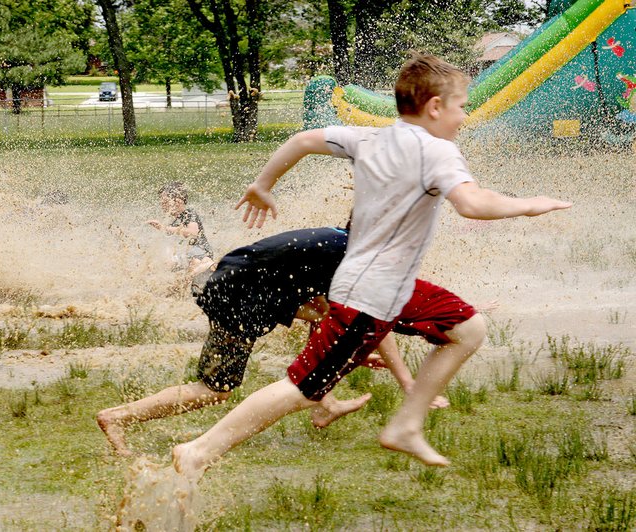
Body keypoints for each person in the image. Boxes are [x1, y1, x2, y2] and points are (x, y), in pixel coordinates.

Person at [172, 53, 571, 480]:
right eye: (460, 105)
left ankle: (406, 425)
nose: (464, 114)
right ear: (435, 107)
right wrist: (531, 205)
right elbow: (473, 203)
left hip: (389, 285)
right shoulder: (439, 151)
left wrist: (263, 184)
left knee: (468, 327)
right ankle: (198, 450)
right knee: (303, 390)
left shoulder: (370, 137)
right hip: (368, 297)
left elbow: (304, 140)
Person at [97, 226, 457, 457]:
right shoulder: (350, 259)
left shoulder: (339, 241)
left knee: (327, 316)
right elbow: (375, 320)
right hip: (236, 296)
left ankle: (324, 403)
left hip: (236, 281)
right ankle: (117, 417)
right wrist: (408, 382)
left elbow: (337, 315)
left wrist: (357, 353)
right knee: (214, 390)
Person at [147, 182, 214, 282]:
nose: (161, 204)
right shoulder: (175, 221)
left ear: (178, 200)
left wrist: (163, 228)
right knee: (163, 266)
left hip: (200, 251)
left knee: (179, 263)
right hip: (190, 254)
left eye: (164, 201)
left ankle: (206, 263)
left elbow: (192, 232)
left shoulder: (188, 213)